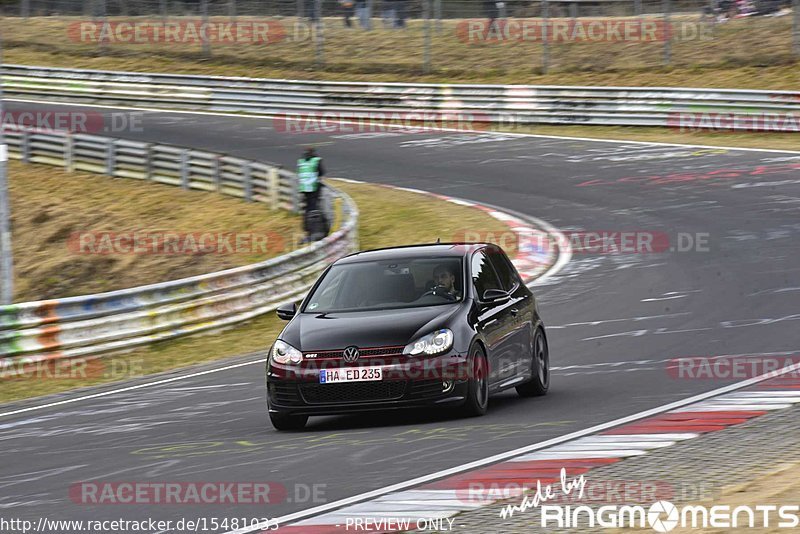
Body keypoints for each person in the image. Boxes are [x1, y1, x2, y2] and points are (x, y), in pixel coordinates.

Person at [297, 147, 326, 237]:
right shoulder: (316, 160)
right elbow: (322, 172)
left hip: (303, 188)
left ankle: (306, 227)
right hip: (313, 187)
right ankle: (315, 230)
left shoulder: (301, 162)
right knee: (314, 208)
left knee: (307, 208)